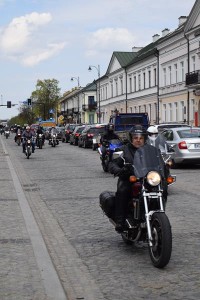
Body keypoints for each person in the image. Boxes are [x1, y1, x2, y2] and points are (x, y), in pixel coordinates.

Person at [108, 125, 148, 233]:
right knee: (123, 190)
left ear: (145, 139)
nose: (138, 140)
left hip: (147, 180)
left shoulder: (150, 150)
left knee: (161, 189)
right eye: (136, 138)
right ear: (131, 139)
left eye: (141, 138)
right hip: (129, 179)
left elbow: (159, 162)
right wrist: (119, 170)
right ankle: (120, 221)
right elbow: (112, 164)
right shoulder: (123, 150)